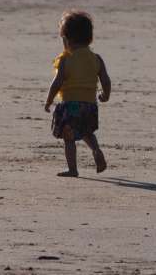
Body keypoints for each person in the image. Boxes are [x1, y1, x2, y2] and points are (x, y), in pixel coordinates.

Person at [44, 10, 111, 177]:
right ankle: (96, 150)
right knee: (87, 131)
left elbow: (57, 82)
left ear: (67, 39)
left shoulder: (66, 59)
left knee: (69, 138)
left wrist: (48, 100)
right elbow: (106, 80)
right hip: (89, 105)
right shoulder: (96, 58)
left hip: (70, 104)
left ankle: (73, 169)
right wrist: (105, 95)